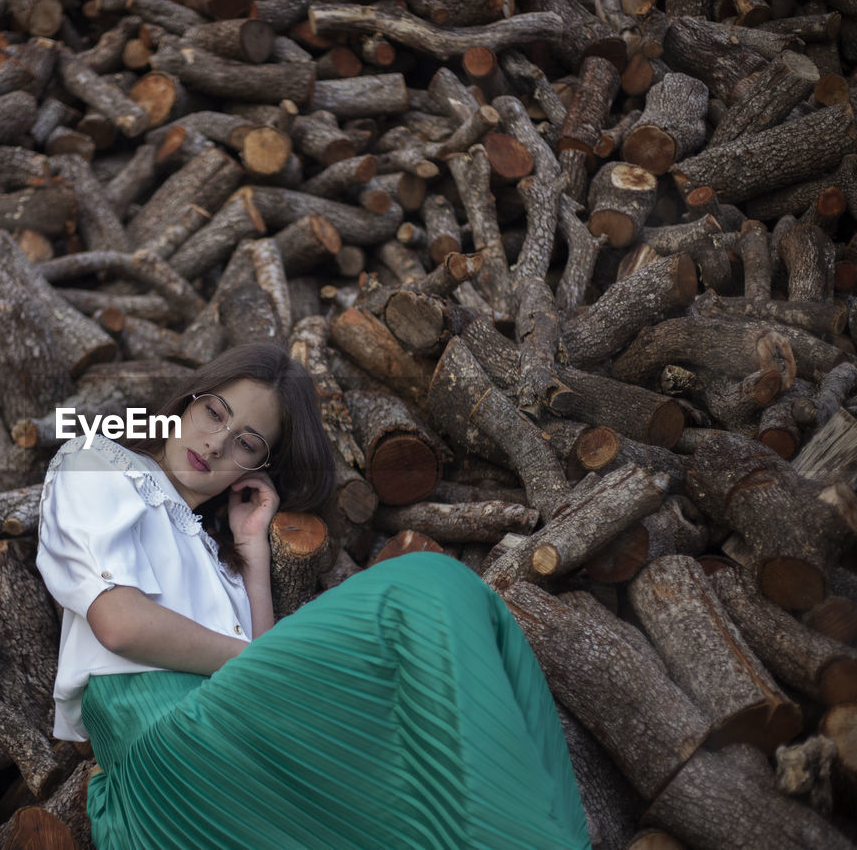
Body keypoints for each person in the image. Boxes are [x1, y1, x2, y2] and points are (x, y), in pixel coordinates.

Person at [34, 342, 591, 849]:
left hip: (234, 753)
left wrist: (252, 553)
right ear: (187, 403)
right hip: (166, 747)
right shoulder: (99, 464)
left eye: (246, 443)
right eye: (214, 413)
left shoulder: (215, 552)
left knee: (491, 639)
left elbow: (266, 689)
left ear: (257, 467)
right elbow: (121, 624)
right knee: (432, 585)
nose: (217, 443)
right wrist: (255, 661)